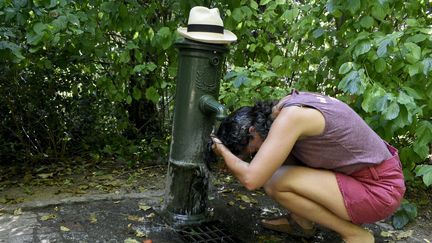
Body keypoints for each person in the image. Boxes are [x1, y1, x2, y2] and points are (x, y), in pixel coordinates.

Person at [210, 90, 405, 243]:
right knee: (278, 157)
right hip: (369, 178)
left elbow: (252, 180)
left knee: (273, 181)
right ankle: (302, 223)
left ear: (252, 131)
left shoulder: (291, 118)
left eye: (251, 151)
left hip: (379, 190)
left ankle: (355, 235)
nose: (254, 155)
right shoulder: (284, 108)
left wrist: (221, 149)